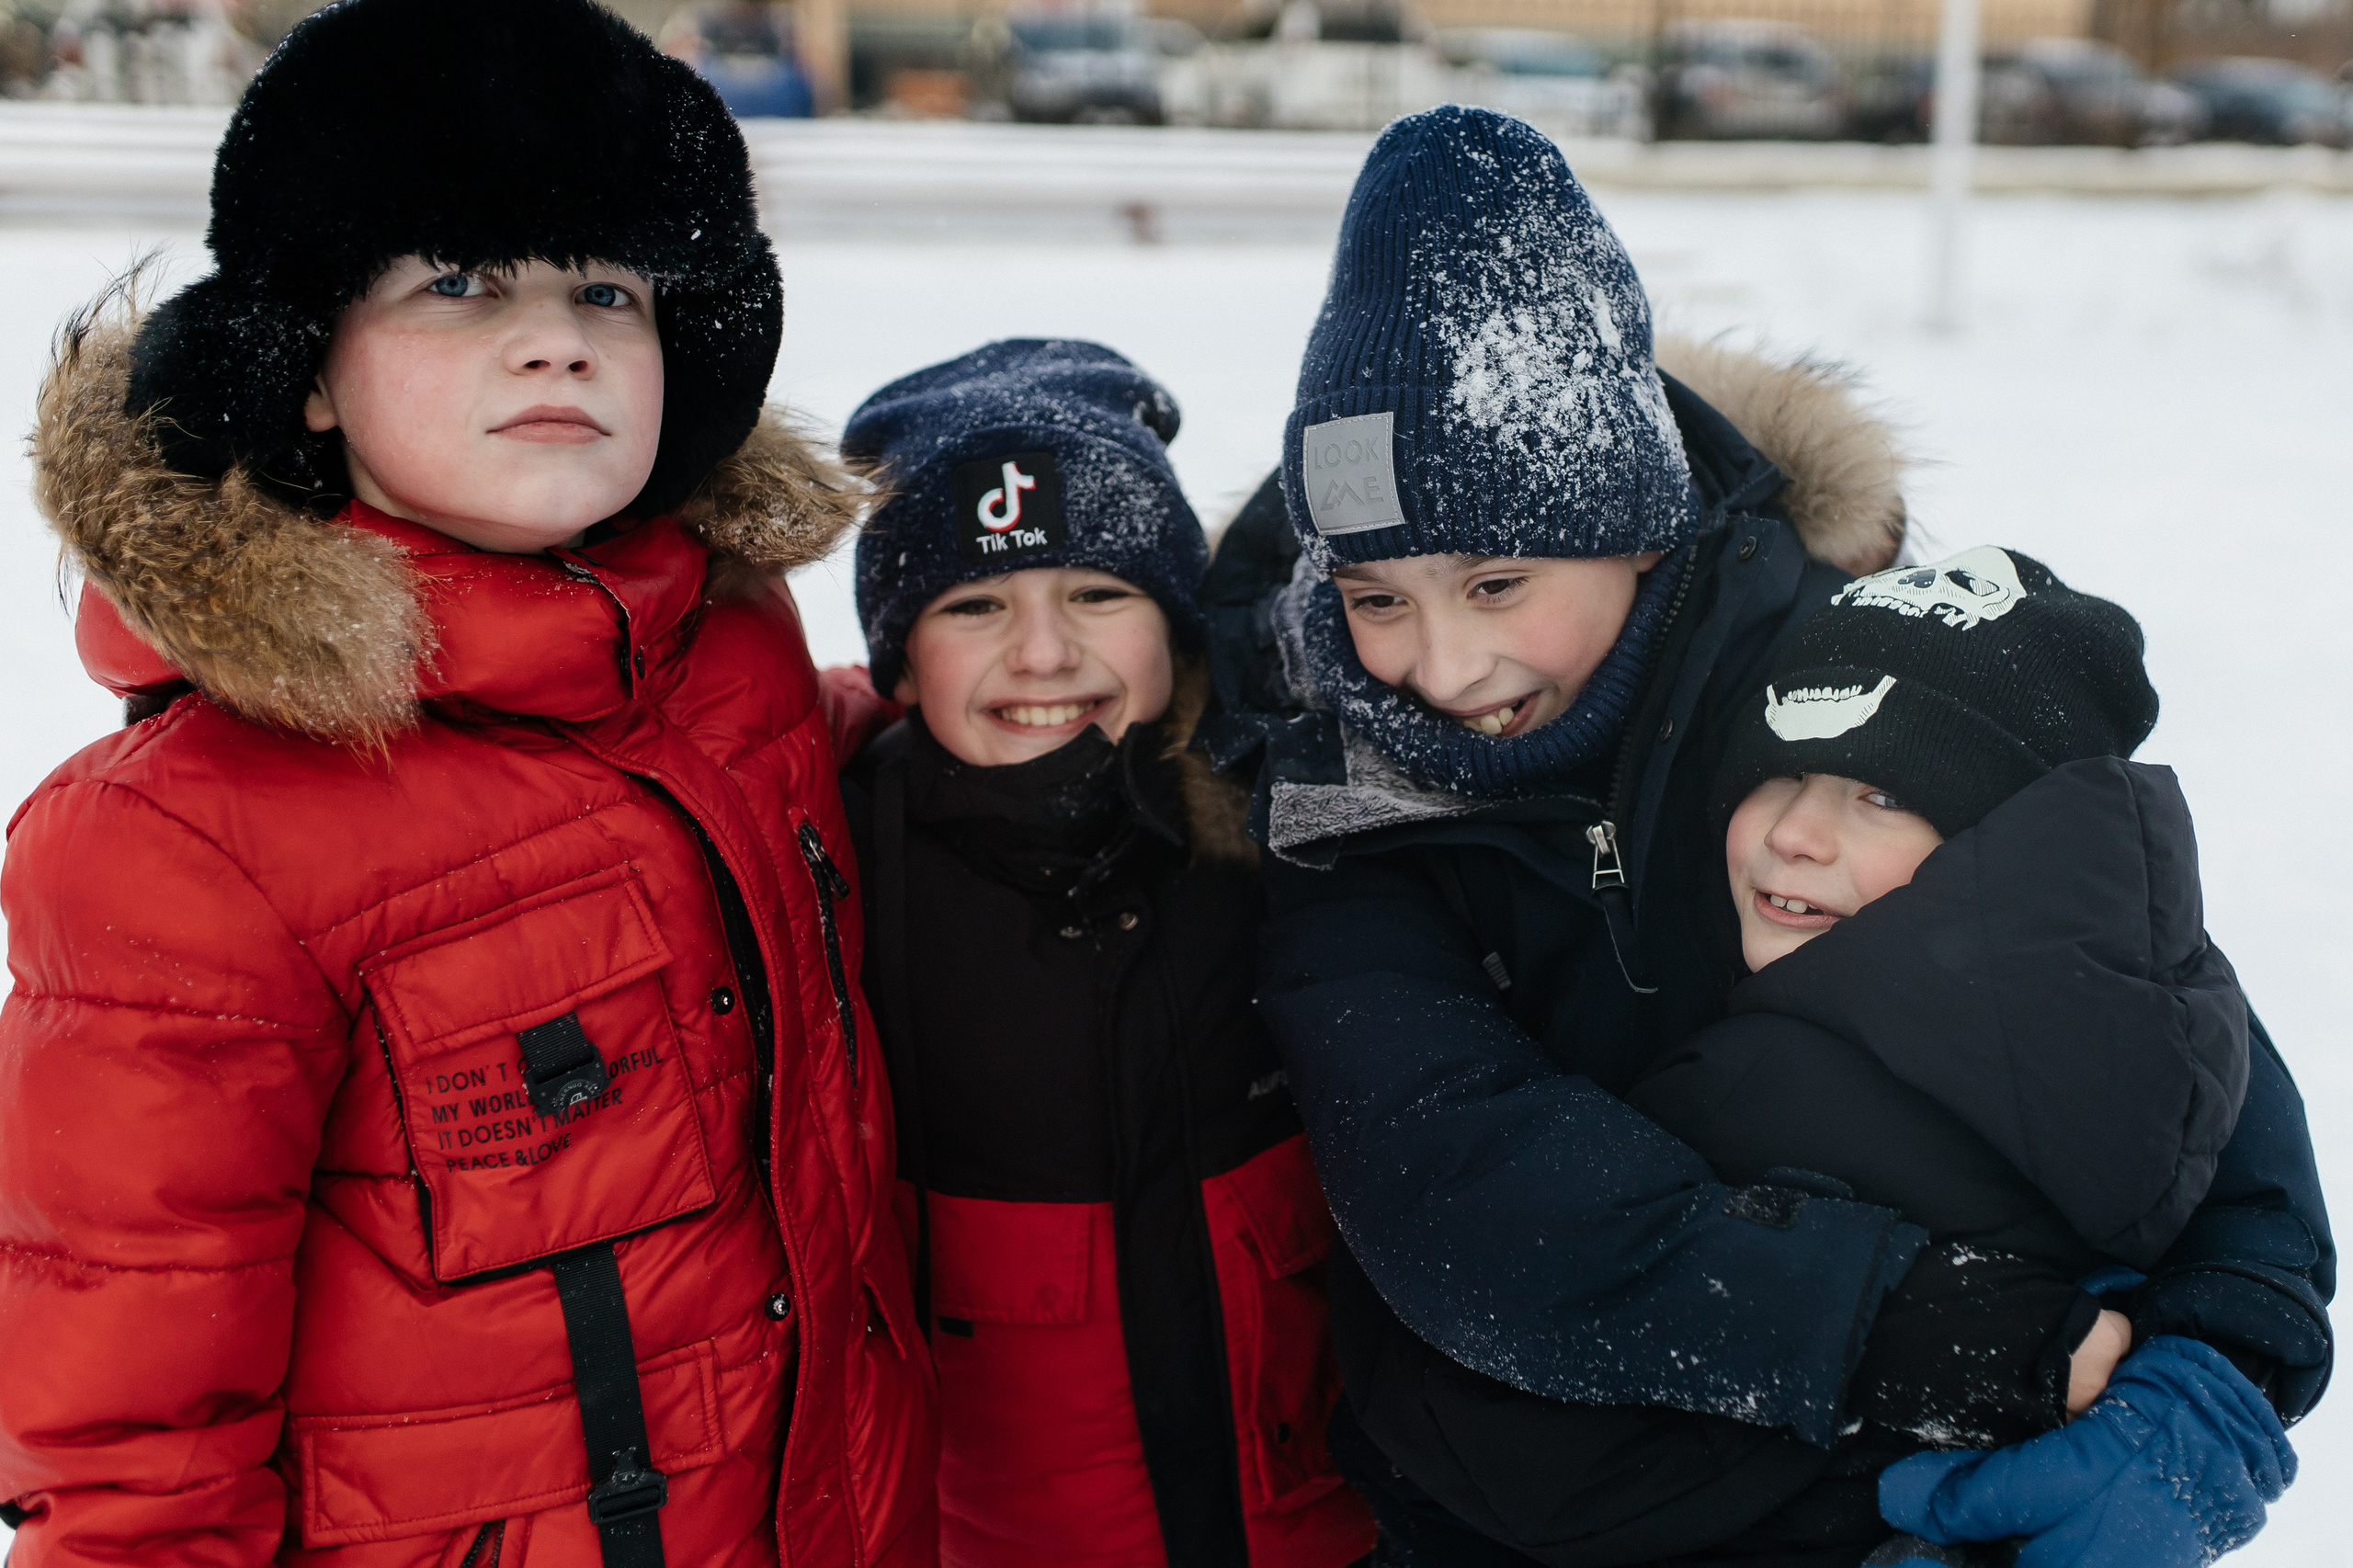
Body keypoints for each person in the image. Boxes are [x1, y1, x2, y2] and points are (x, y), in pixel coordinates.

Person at [1191, 105, 2331, 1563]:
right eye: (1379, 598)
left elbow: (2135, 994)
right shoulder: (1344, 799)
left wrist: (2221, 1354)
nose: (1443, 667)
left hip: (1869, 1514)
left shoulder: (1830, 687)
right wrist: (1892, 1317)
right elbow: (1454, 1175)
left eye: (1498, 583)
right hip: (1502, 1511)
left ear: (1642, 532)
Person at [0, 4, 936, 1566]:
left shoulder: (733, 650)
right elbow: (131, 1453)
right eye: (459, 282)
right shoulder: (185, 844)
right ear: (308, 371)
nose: (557, 335)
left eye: (605, 287)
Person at [1511, 546, 2282, 1562]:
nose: (1796, 832)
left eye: (1878, 795)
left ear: (1994, 842)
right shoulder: (2153, 1006)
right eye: (1781, 770)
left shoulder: (1761, 1085)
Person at [834, 340, 1377, 1568]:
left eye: (1097, 594)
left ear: (1177, 634)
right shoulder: (840, 870)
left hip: (1317, 1528)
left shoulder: (1280, 837)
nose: (1042, 655)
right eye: (975, 606)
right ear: (900, 663)